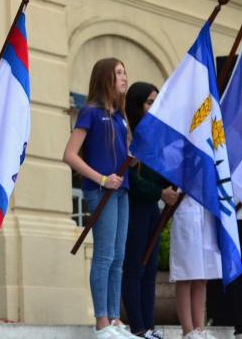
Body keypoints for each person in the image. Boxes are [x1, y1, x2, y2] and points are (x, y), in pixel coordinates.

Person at [63, 58, 141, 338]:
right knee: (105, 254)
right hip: (101, 191)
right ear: (105, 78)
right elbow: (70, 154)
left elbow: (123, 156)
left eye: (124, 71)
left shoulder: (121, 117)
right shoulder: (91, 112)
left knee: (118, 257)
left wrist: (132, 160)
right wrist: (102, 179)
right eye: (118, 73)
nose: (124, 77)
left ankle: (115, 319)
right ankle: (101, 322)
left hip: (121, 191)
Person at [122, 82, 175, 339]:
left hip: (152, 209)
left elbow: (160, 174)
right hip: (133, 209)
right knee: (134, 267)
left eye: (156, 102)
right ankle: (138, 327)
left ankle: (149, 326)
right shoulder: (128, 134)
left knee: (150, 268)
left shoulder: (154, 135)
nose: (154, 107)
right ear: (137, 104)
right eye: (149, 102)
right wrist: (160, 193)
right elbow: (130, 179)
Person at [171, 195, 221, 338]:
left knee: (201, 276)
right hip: (186, 208)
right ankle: (188, 331)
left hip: (206, 212)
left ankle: (199, 329)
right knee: (185, 274)